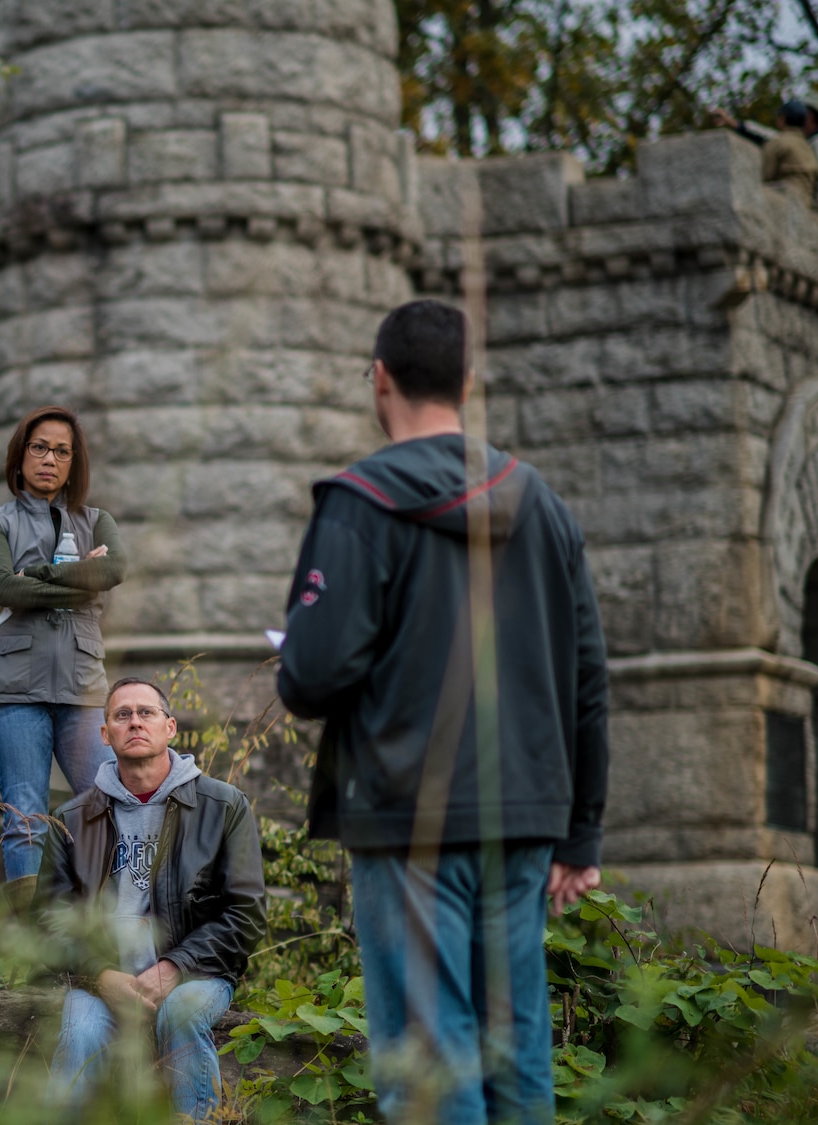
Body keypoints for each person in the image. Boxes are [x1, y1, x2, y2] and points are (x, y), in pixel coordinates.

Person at [276, 299, 608, 1125]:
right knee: (516, 1061)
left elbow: (313, 674)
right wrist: (581, 832)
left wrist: (296, 657)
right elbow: (588, 677)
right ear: (467, 383)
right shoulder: (543, 503)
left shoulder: (357, 503)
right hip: (526, 818)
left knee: (430, 1070)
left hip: (406, 817)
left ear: (380, 379)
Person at [39, 677, 266, 1121]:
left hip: (194, 975)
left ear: (171, 728)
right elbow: (50, 919)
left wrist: (175, 966)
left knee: (180, 1013)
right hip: (102, 979)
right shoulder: (72, 818)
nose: (135, 722)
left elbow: (246, 913)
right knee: (79, 1031)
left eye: (147, 713)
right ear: (105, 735)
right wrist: (99, 974)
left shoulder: (223, 806)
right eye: (122, 715)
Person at [0, 405, 127, 895]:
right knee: (26, 815)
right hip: (12, 689)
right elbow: (2, 588)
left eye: (62, 451)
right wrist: (80, 581)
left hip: (82, 688)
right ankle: (33, 948)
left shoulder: (98, 521)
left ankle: (98, 930)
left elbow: (113, 571)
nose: (50, 458)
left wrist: (38, 575)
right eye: (39, 447)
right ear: (20, 456)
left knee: (105, 804)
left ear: (73, 462)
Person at [714, 97, 818, 208]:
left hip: (797, 204)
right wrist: (732, 122)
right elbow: (769, 135)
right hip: (803, 201)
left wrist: (816, 211)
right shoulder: (804, 143)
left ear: (811, 116)